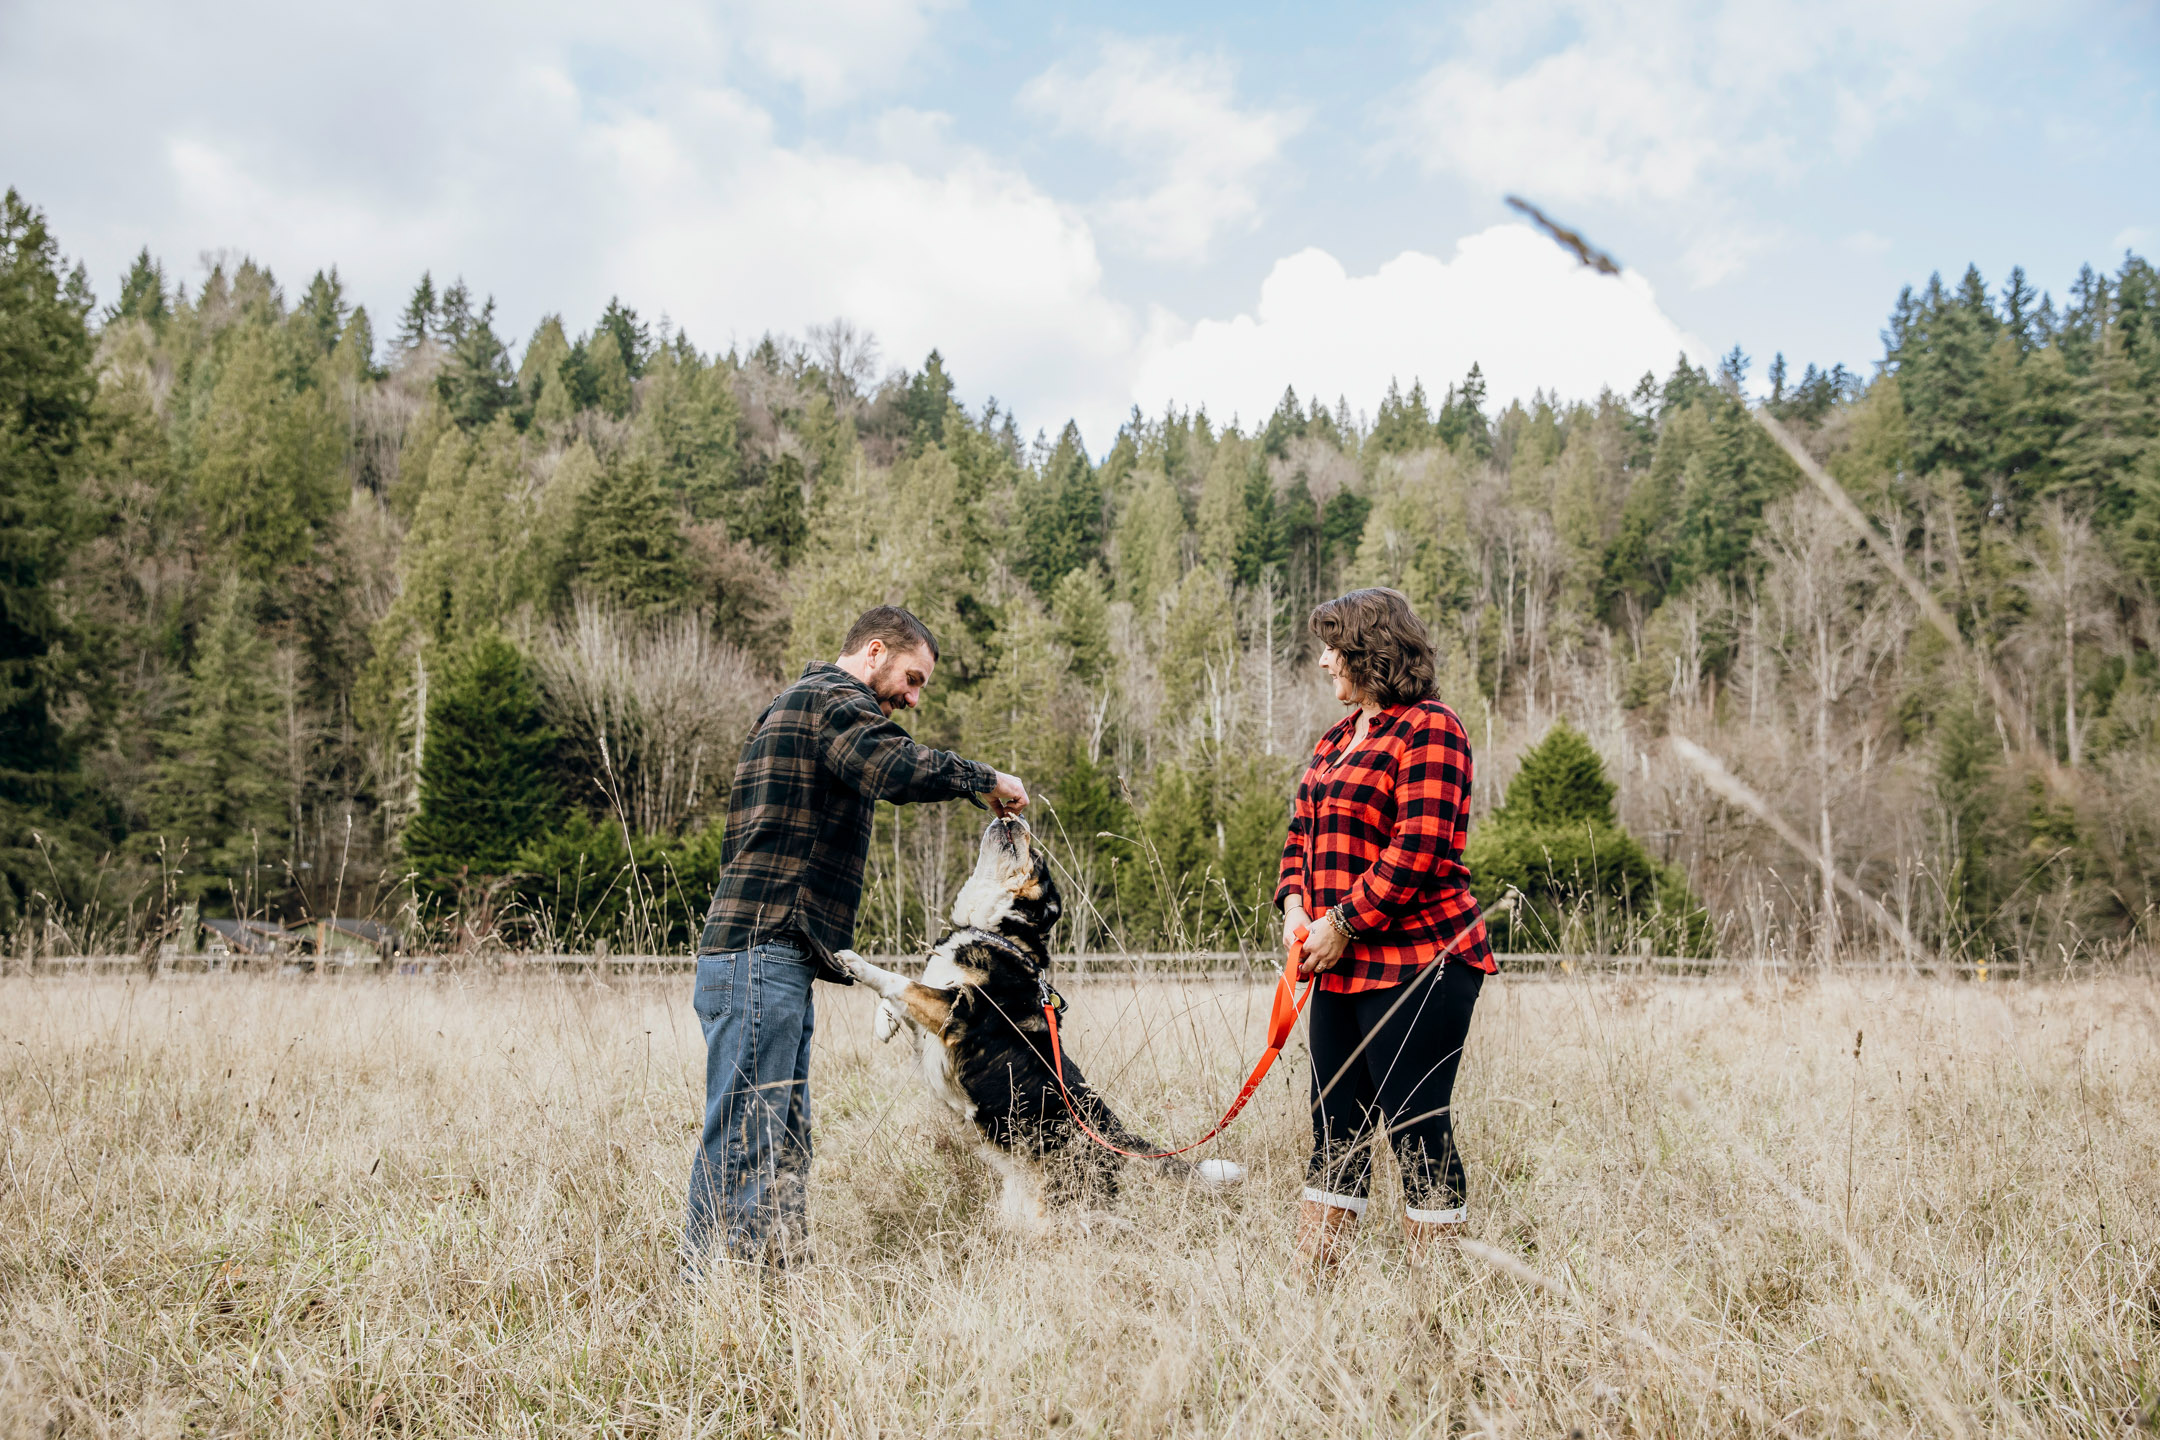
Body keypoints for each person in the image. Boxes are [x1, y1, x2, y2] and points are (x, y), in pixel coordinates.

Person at [684, 605, 1028, 1270]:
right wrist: (984, 780)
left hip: (772, 954)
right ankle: (716, 1300)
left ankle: (775, 1289)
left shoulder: (800, 704)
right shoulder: (832, 701)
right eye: (913, 676)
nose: (914, 696)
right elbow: (892, 766)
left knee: (783, 1140)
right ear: (873, 652)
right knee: (747, 1140)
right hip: (761, 951)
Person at [1275, 587, 1496, 1267]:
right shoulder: (1336, 740)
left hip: (1423, 962)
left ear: (1369, 649)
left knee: (1414, 1126)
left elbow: (1419, 847)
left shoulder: (1431, 728)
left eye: (1332, 647)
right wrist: (1297, 908)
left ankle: (1439, 1295)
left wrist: (1345, 918)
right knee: (1334, 1128)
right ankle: (1318, 1283)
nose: (1322, 662)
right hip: (1340, 964)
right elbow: (1299, 839)